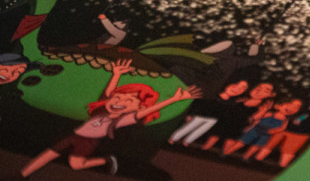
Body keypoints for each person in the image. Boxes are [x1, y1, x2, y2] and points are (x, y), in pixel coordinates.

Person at [21, 59, 197, 177]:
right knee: (49, 154)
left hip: (88, 142)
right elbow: (107, 93)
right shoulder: (101, 110)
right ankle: (23, 175)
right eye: (118, 97)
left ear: (139, 107)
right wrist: (116, 74)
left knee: (75, 165)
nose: (119, 102)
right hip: (74, 135)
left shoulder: (122, 120)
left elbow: (146, 111)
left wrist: (174, 99)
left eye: (129, 101)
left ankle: (106, 159)